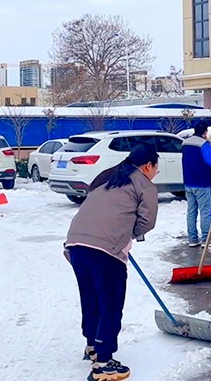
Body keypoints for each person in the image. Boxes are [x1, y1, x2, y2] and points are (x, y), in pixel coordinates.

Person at [64, 144, 160, 381]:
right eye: (156, 168)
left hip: (76, 243)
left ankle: (93, 346)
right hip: (105, 249)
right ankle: (104, 363)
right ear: (148, 165)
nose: (156, 173)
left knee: (91, 297)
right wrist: (125, 236)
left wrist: (120, 233)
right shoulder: (144, 185)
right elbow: (147, 221)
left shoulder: (109, 176)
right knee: (111, 303)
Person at [182, 122, 211, 247]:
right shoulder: (204, 144)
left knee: (191, 211)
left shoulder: (185, 143)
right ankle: (206, 238)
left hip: (188, 182)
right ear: (205, 132)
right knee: (205, 211)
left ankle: (192, 239)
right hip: (202, 182)